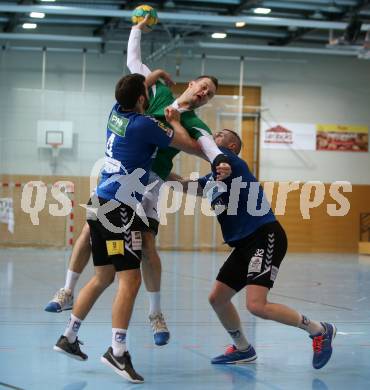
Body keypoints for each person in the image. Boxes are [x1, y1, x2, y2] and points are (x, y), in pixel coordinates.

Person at [46, 17, 231, 347]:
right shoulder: (156, 92)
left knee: (147, 247)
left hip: (150, 185)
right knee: (90, 231)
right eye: (203, 86)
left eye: (210, 94)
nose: (205, 93)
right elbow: (133, 62)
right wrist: (137, 28)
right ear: (191, 83)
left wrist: (220, 160)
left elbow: (208, 148)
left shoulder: (194, 123)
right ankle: (67, 291)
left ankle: (155, 313)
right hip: (123, 181)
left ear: (207, 101)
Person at [53, 73, 222, 384]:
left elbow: (137, 80)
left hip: (99, 202)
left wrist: (154, 75)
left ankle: (69, 335)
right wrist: (176, 122)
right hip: (120, 209)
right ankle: (117, 351)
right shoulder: (146, 125)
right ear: (143, 99)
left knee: (102, 276)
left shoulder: (116, 113)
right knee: (129, 282)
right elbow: (188, 145)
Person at [170, 129, 336, 370]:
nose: (214, 136)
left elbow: (205, 148)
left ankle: (320, 330)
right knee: (217, 298)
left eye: (221, 135)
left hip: (264, 235)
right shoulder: (213, 179)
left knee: (257, 305)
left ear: (232, 146)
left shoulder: (233, 163)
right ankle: (242, 348)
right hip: (243, 245)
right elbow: (184, 186)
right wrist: (158, 170)